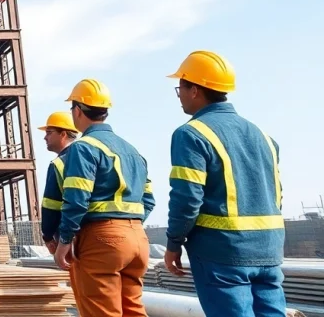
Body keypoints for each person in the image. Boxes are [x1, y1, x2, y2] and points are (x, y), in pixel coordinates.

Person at [164, 51, 286, 317]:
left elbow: (187, 197)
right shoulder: (264, 136)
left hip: (222, 252)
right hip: (269, 248)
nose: (179, 95)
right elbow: (277, 194)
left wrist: (174, 242)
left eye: (180, 88)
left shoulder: (191, 134)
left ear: (194, 90)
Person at [54, 79, 155, 317]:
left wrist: (65, 241)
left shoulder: (83, 147)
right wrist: (128, 225)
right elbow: (149, 200)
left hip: (102, 240)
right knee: (133, 310)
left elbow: (77, 199)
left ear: (78, 110)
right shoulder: (132, 150)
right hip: (137, 238)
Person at [39, 111, 78, 250]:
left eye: (49, 132)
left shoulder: (59, 163)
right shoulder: (88, 157)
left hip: (70, 237)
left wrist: (48, 235)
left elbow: (51, 204)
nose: (45, 137)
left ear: (63, 134)